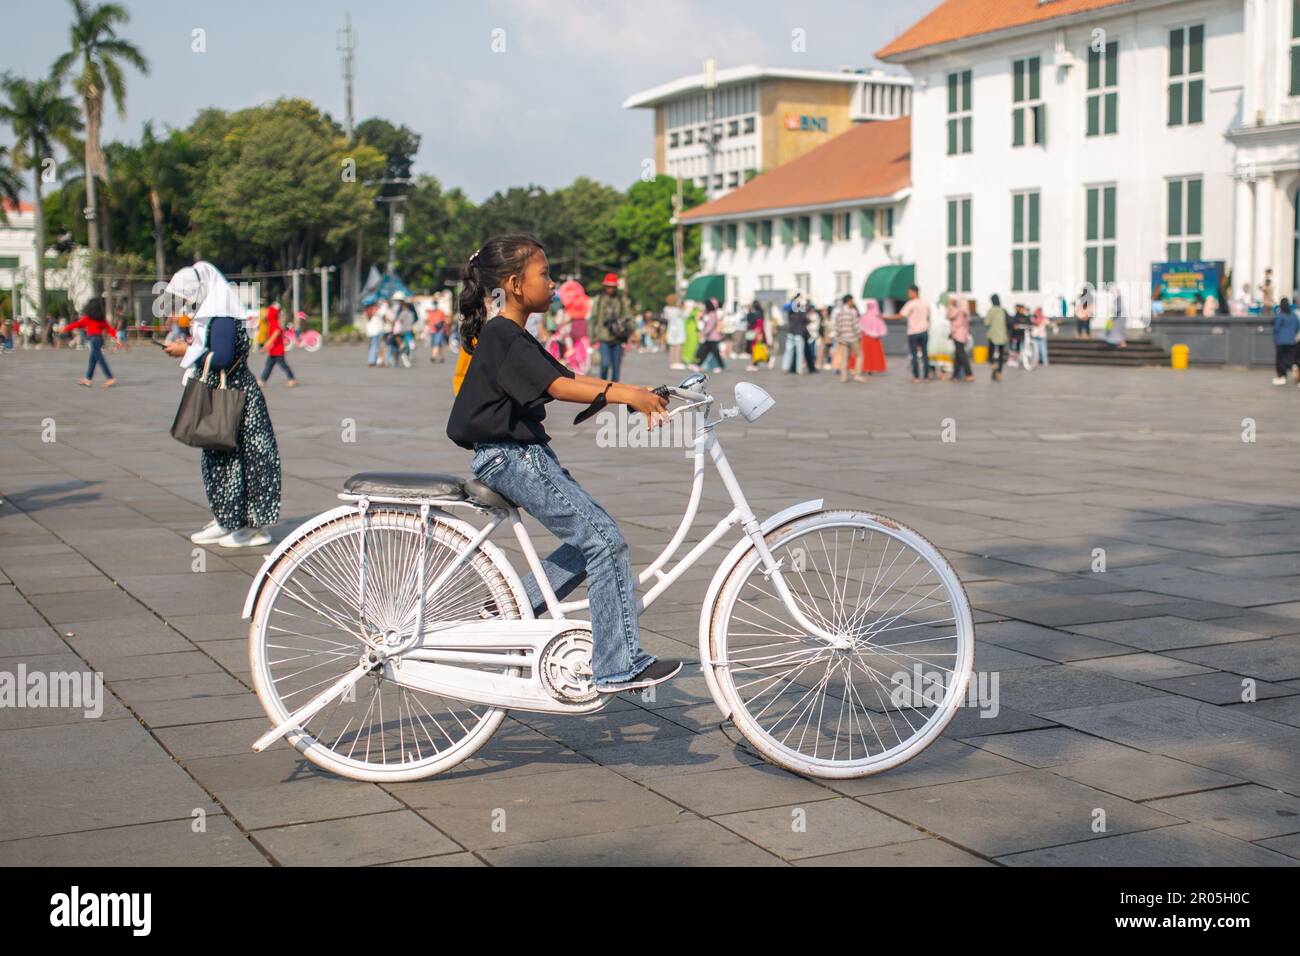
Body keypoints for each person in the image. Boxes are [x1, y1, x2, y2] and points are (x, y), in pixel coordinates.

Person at [446, 234, 680, 694]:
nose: (554, 284)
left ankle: (512, 608)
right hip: (514, 458)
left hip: (519, 455)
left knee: (592, 538)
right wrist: (624, 394)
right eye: (545, 274)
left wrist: (631, 390)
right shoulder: (501, 335)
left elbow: (569, 377)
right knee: (605, 542)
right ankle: (618, 664)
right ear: (515, 284)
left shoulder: (510, 334)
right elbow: (556, 386)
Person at [160, 262, 281, 548]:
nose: (188, 301)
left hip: (236, 398)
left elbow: (223, 357)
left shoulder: (223, 316)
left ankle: (253, 527)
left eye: (190, 294)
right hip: (226, 394)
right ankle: (227, 518)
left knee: (245, 460)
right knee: (219, 458)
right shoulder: (214, 313)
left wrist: (186, 351)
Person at [64, 297, 117, 387]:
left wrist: (65, 328)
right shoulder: (101, 319)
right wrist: (116, 337)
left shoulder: (88, 318)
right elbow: (109, 328)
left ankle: (110, 377)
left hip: (94, 339)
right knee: (92, 360)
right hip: (99, 339)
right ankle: (87, 379)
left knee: (100, 359)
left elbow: (77, 324)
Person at [590, 272, 633, 382]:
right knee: (604, 364)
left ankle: (615, 391)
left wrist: (628, 329)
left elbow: (628, 316)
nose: (610, 289)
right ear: (605, 286)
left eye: (612, 286)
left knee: (616, 368)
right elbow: (593, 318)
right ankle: (602, 385)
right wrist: (592, 336)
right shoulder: (599, 300)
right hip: (603, 337)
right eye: (608, 286)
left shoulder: (621, 299)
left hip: (617, 337)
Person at [260, 302, 298, 386]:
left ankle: (292, 379)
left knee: (283, 365)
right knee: (269, 366)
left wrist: (266, 345)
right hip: (274, 350)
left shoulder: (274, 323)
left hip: (278, 350)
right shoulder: (273, 323)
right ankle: (262, 380)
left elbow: (276, 334)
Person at [900, 284, 930, 383]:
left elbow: (901, 315)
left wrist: (885, 317)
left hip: (913, 332)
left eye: (909, 292)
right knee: (925, 355)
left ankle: (916, 377)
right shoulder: (925, 303)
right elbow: (928, 317)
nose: (908, 294)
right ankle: (926, 376)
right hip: (924, 331)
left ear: (913, 292)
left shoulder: (911, 304)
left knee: (914, 355)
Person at [831, 294, 862, 383]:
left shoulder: (839, 312)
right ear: (849, 301)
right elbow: (856, 326)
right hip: (852, 337)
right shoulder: (852, 312)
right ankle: (857, 375)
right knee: (859, 355)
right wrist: (859, 336)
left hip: (843, 338)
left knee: (844, 358)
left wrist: (838, 337)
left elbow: (836, 326)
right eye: (852, 300)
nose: (853, 302)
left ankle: (843, 377)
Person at [858, 297, 888, 375]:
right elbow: (882, 328)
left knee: (865, 354)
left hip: (866, 338)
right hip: (875, 339)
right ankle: (871, 369)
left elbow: (861, 327)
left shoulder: (865, 315)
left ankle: (864, 368)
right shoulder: (878, 315)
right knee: (874, 354)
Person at [947, 295, 973, 382]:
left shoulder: (958, 310)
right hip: (963, 335)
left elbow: (949, 316)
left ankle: (969, 374)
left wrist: (950, 305)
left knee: (961, 355)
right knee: (958, 356)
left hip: (958, 335)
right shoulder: (966, 312)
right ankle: (955, 375)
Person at [696, 297, 727, 372]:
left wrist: (703, 333)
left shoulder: (713, 314)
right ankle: (698, 365)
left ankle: (720, 366)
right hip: (709, 337)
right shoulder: (709, 313)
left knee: (713, 352)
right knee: (706, 352)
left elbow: (710, 326)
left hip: (713, 337)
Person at [1272, 297, 1298, 385]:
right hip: (1291, 341)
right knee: (1289, 359)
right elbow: (1297, 326)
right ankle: (1293, 367)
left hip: (1280, 340)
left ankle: (1282, 377)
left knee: (1280, 360)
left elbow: (1276, 328)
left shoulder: (1280, 315)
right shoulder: (1293, 315)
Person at [783, 293, 810, 374]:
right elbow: (805, 319)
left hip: (791, 332)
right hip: (799, 333)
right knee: (799, 353)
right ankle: (799, 369)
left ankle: (785, 367)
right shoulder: (800, 308)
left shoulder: (791, 308)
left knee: (788, 351)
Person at [984, 293, 1009, 381]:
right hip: (1002, 335)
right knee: (1001, 354)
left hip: (993, 335)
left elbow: (986, 322)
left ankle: (994, 365)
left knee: (991, 353)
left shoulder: (991, 310)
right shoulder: (1003, 310)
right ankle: (999, 372)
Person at [663, 293, 687, 370]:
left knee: (672, 346)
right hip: (679, 328)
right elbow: (685, 315)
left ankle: (672, 362)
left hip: (671, 328)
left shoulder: (666, 309)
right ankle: (677, 362)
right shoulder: (678, 310)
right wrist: (683, 307)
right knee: (679, 346)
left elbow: (666, 317)